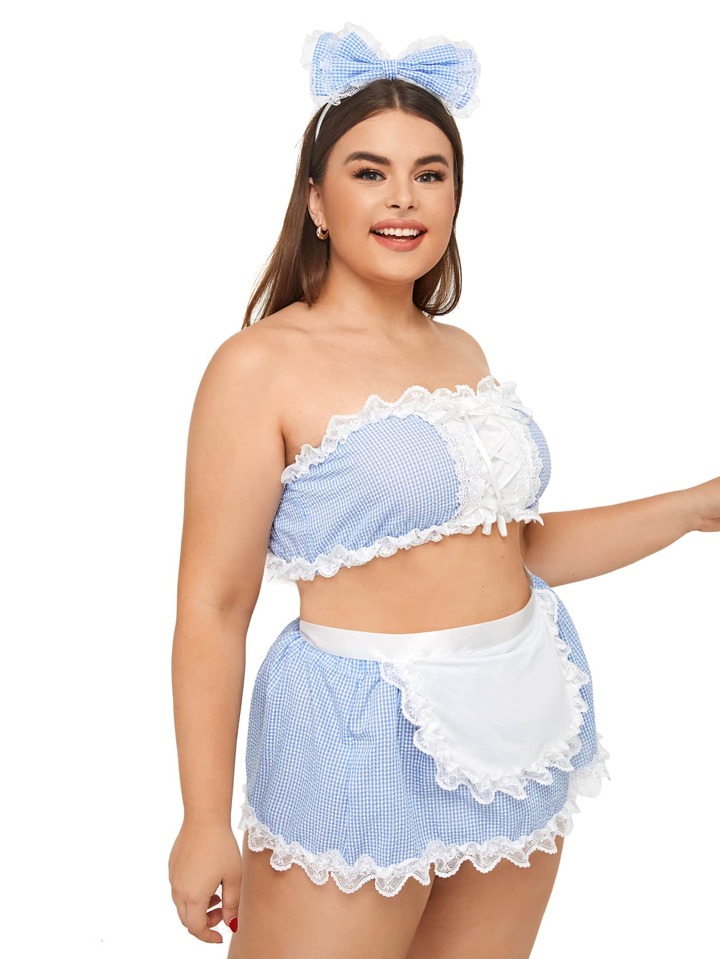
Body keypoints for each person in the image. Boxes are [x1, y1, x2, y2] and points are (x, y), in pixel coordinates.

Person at [168, 24, 720, 959]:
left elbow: (513, 552)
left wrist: (696, 506)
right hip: (354, 738)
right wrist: (202, 818)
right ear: (316, 200)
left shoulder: (461, 352)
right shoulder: (258, 366)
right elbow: (214, 605)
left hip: (519, 717)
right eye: (370, 172)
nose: (403, 198)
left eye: (431, 173)